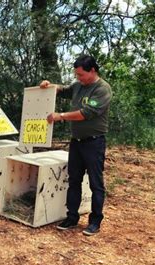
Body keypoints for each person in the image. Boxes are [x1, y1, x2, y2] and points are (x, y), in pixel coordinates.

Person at [40, 55, 112, 236]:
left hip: (94, 143)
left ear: (93, 71)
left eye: (81, 75)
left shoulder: (102, 89)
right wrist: (49, 86)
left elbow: (86, 113)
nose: (78, 78)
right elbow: (63, 90)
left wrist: (61, 116)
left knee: (96, 184)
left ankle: (95, 221)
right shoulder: (78, 86)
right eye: (76, 75)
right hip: (77, 142)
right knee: (74, 180)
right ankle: (72, 217)